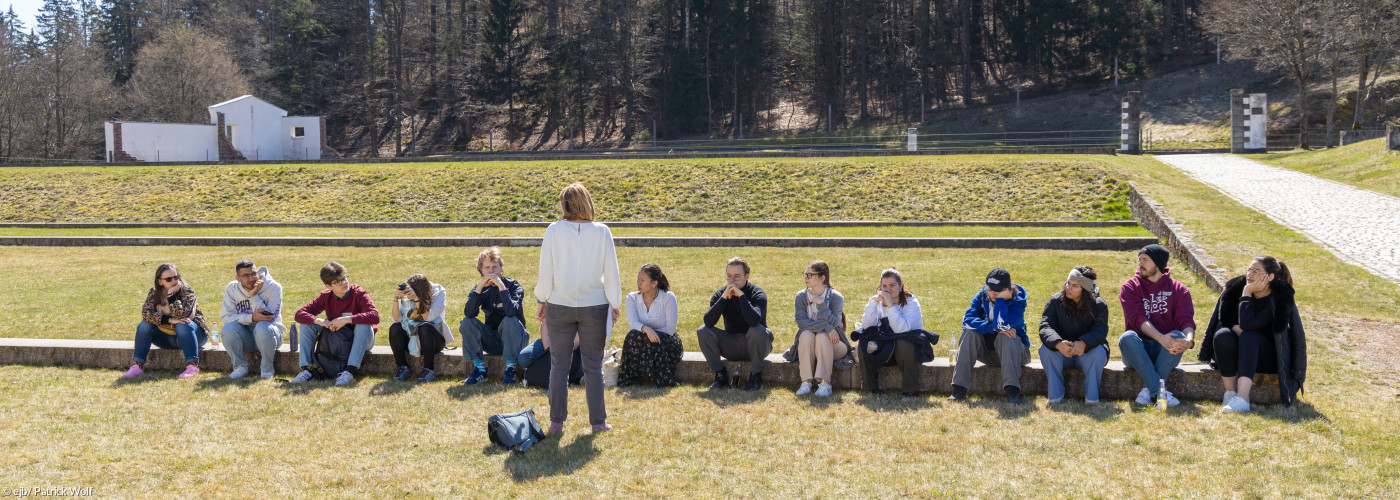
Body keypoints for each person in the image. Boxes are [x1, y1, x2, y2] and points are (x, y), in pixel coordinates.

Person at [535, 183, 622, 434]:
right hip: (594, 305)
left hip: (559, 304)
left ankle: (556, 422)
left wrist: (542, 299)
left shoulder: (554, 230)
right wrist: (614, 302)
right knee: (593, 367)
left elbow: (546, 270)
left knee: (559, 365)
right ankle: (598, 422)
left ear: (564, 205)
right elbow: (611, 271)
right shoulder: (602, 231)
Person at [1199, 256, 1307, 412]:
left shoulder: (1280, 298)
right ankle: (1230, 393)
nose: (1249, 274)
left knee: (1249, 336)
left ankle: (1243, 398)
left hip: (1268, 358)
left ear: (1270, 277)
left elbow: (1297, 336)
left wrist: (1298, 373)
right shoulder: (1234, 290)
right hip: (1240, 354)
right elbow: (1219, 321)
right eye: (1249, 270)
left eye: (1255, 271)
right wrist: (1235, 328)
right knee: (1223, 335)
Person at [1117, 244, 1196, 407]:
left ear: (1158, 264)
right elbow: (1136, 318)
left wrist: (1189, 341)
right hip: (1137, 351)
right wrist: (1160, 337)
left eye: (1145, 260)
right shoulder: (1130, 287)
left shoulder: (1179, 289)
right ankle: (1158, 391)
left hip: (1165, 352)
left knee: (1178, 336)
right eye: (1139, 260)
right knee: (1127, 338)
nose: (1140, 264)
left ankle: (1148, 389)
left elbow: (1186, 320)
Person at [291, 261, 380, 386]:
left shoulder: (358, 293)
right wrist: (321, 321)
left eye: (344, 278)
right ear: (328, 286)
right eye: (337, 282)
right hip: (338, 340)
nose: (343, 283)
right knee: (307, 324)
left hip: (362, 339)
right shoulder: (326, 296)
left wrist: (347, 319)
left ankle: (349, 372)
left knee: (363, 324)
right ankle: (307, 369)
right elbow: (299, 314)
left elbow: (375, 316)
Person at [852, 268, 938, 397]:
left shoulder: (911, 302)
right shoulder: (878, 302)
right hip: (886, 345)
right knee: (864, 341)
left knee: (904, 343)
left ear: (901, 285)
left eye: (892, 285)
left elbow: (901, 330)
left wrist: (891, 306)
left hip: (907, 349)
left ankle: (910, 390)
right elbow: (867, 326)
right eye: (884, 286)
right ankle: (870, 388)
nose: (888, 289)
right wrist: (872, 303)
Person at [950, 267, 1030, 403]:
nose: (992, 293)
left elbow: (1003, 326)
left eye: (997, 290)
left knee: (1006, 336)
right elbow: (966, 322)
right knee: (970, 334)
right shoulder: (982, 295)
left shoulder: (1017, 301)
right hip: (989, 353)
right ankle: (959, 388)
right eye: (989, 288)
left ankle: (1012, 390)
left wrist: (1000, 301)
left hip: (1016, 353)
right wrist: (990, 328)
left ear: (1007, 289)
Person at [122, 263, 210, 379]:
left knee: (183, 324)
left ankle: (192, 366)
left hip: (194, 335)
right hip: (167, 337)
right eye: (169, 279)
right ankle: (137, 366)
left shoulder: (187, 291)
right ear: (160, 282)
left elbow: (183, 315)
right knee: (144, 325)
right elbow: (146, 314)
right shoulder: (154, 292)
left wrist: (171, 296)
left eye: (176, 277)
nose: (174, 281)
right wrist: (170, 320)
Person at [697, 256, 773, 391]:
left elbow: (754, 320)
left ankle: (755, 376)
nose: (732, 281)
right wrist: (723, 298)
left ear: (747, 276)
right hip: (732, 343)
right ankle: (720, 375)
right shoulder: (720, 294)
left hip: (757, 345)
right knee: (702, 331)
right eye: (729, 276)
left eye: (736, 277)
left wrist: (741, 296)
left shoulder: (758, 293)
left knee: (756, 330)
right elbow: (708, 322)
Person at [1038, 266, 1110, 404]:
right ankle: (1055, 397)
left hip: (1087, 353)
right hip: (1062, 352)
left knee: (1098, 352)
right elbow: (1045, 326)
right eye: (1068, 283)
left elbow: (1100, 331)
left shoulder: (1099, 304)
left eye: (1074, 285)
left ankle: (1092, 399)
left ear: (1085, 289)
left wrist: (1083, 343)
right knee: (1045, 350)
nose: (1068, 288)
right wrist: (1058, 343)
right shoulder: (1055, 301)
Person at [781, 261, 851, 397]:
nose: (805, 278)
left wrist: (821, 305)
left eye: (810, 275)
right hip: (810, 345)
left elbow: (835, 323)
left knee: (822, 336)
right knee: (806, 334)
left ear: (822, 277)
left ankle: (826, 384)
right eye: (805, 274)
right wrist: (826, 327)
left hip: (836, 345)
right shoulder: (801, 296)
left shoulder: (836, 297)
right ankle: (806, 382)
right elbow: (802, 323)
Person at [461, 247, 530, 385]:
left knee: (510, 319)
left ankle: (511, 370)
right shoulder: (480, 288)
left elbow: (512, 311)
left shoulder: (514, 286)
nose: (491, 271)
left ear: (501, 268)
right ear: (481, 270)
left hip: (516, 338)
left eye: (495, 267)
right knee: (466, 322)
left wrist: (501, 288)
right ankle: (480, 370)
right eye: (487, 267)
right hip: (493, 339)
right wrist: (478, 290)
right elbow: (469, 313)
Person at [618, 263, 683, 388]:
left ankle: (663, 380)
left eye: (642, 280)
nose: (638, 283)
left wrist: (653, 334)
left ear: (654, 283)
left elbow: (670, 329)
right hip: (642, 338)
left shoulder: (668, 297)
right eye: (638, 279)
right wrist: (647, 330)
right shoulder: (631, 298)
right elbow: (633, 323)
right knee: (632, 335)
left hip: (666, 340)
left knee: (652, 340)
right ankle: (629, 379)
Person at [220, 260, 284, 380]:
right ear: (238, 278)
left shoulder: (273, 287)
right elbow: (226, 317)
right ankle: (240, 367)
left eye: (253, 274)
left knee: (262, 326)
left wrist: (253, 296)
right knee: (228, 328)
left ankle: (267, 370)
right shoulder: (232, 288)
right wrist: (251, 318)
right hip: (246, 337)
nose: (251, 278)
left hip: (271, 336)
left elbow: (269, 317)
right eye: (245, 275)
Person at [388, 274, 452, 383]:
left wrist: (416, 299)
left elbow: (428, 317)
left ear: (419, 290)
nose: (408, 293)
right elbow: (397, 319)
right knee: (395, 328)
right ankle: (402, 367)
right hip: (411, 337)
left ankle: (429, 370)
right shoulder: (407, 295)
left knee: (425, 327)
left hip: (433, 340)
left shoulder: (438, 292)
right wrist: (395, 299)